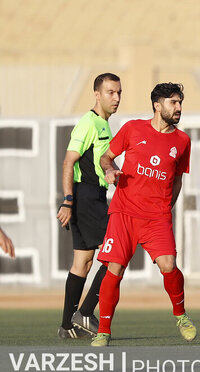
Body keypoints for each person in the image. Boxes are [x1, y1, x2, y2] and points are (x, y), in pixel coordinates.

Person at [91, 82, 196, 347]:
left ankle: (180, 315)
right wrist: (110, 169)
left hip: (157, 218)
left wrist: (165, 209)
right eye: (173, 102)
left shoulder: (182, 141)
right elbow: (106, 157)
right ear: (157, 105)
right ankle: (103, 330)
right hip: (124, 213)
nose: (179, 108)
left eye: (180, 102)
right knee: (114, 270)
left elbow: (177, 181)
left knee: (168, 266)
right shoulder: (133, 129)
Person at [56, 73, 121, 340]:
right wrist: (68, 200)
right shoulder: (89, 124)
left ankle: (67, 326)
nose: (116, 98)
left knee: (82, 261)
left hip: (92, 196)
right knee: (117, 251)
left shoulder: (103, 125)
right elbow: (69, 161)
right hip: (86, 197)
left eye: (118, 92)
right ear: (96, 94)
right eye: (110, 92)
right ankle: (84, 312)